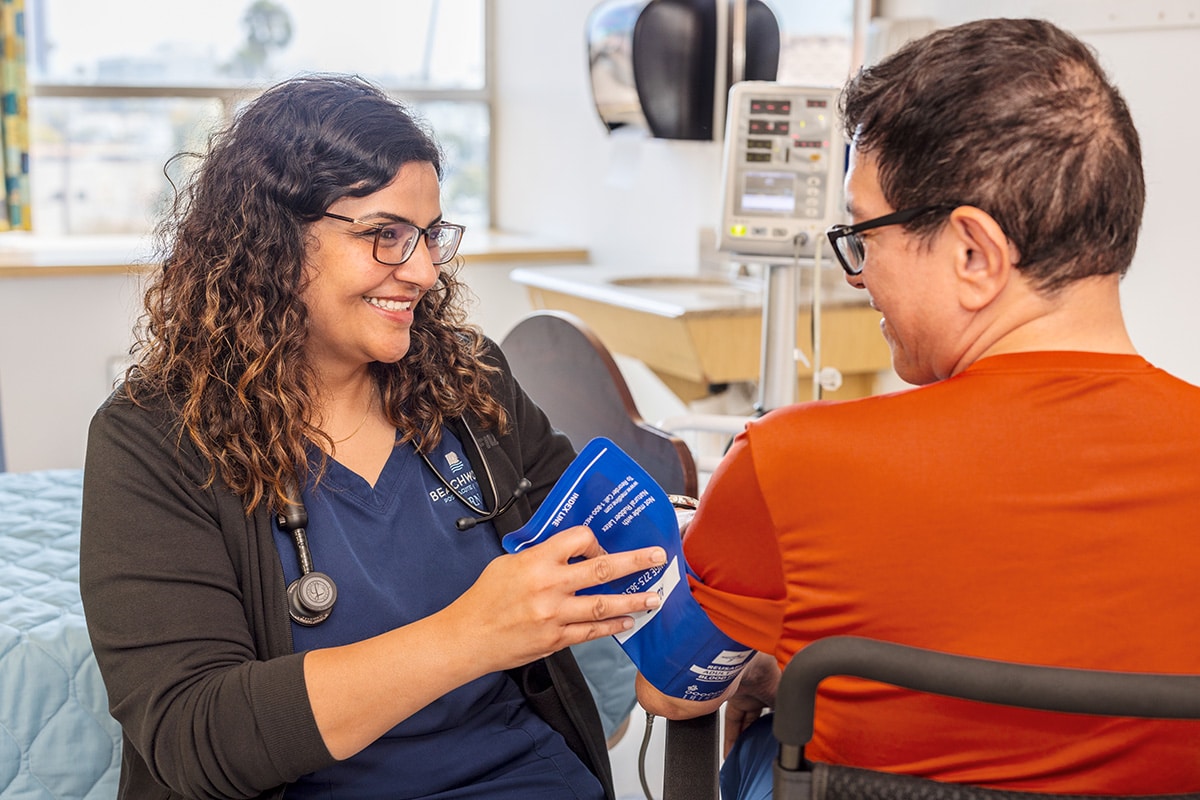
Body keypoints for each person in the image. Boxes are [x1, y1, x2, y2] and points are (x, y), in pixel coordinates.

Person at [635, 17, 1200, 798]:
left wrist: (781, 671)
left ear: (974, 254)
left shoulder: (788, 464)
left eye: (864, 234)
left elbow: (670, 691)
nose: (857, 276)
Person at [79, 74, 667, 800]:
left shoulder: (468, 380)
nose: (421, 271)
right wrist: (468, 636)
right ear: (270, 242)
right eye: (384, 235)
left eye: (428, 236)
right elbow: (197, 737)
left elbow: (605, 546)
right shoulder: (154, 440)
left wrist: (705, 638)